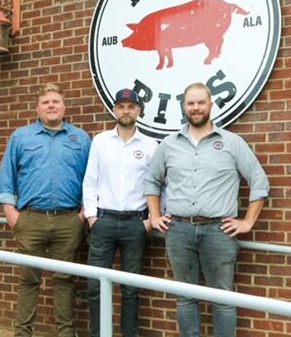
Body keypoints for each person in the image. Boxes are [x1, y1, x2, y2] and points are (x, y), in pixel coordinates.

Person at [145, 82, 270, 337]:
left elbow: (259, 182)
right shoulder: (169, 145)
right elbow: (152, 181)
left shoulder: (232, 143)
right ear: (184, 107)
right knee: (185, 296)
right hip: (178, 230)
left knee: (223, 297)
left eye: (201, 103)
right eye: (191, 103)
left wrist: (247, 222)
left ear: (211, 105)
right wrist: (155, 216)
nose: (196, 108)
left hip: (218, 231)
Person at [0, 83, 91, 337]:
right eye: (46, 102)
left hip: (69, 220)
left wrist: (82, 214)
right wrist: (10, 212)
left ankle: (66, 333)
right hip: (30, 219)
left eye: (56, 101)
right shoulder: (21, 137)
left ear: (64, 106)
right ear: (37, 108)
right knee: (29, 280)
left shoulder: (80, 138)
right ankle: (23, 333)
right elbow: (7, 176)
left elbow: (91, 179)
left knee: (65, 279)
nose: (51, 106)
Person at [83, 88, 158, 337]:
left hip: (135, 224)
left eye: (131, 106)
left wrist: (150, 221)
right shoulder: (101, 141)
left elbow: (158, 185)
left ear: (139, 110)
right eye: (121, 106)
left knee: (131, 288)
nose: (126, 110)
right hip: (103, 222)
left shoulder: (150, 146)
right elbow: (90, 181)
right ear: (115, 110)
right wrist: (93, 218)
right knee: (95, 285)